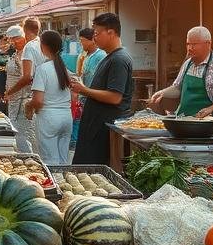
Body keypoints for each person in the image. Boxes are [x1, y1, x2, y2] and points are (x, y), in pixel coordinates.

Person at [70, 12, 136, 165]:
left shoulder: (119, 59)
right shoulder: (109, 57)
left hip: (104, 130)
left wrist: (83, 90)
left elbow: (115, 97)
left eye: (97, 34)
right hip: (94, 126)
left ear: (111, 33)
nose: (95, 38)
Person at [150, 25, 213, 125]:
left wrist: (210, 109)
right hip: (183, 123)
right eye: (188, 44)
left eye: (194, 44)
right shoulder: (188, 63)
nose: (190, 48)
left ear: (208, 44)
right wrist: (162, 93)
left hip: (209, 127)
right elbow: (178, 88)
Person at [27, 30, 73, 165]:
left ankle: (55, 185)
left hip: (49, 119)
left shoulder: (42, 69)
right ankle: (64, 185)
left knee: (50, 162)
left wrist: (28, 105)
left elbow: (38, 101)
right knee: (63, 160)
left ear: (43, 46)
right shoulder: (64, 67)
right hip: (66, 117)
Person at [2, 17, 43, 153]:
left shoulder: (29, 49)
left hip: (23, 98)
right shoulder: (23, 50)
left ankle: (30, 161)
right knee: (21, 133)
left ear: (24, 34)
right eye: (11, 40)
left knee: (24, 134)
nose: (13, 42)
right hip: (17, 99)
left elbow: (27, 77)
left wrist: (10, 92)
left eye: (16, 39)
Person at [71, 27, 105, 159]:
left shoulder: (100, 56)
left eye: (83, 41)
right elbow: (81, 75)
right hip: (84, 95)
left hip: (93, 96)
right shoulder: (84, 55)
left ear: (92, 41)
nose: (81, 44)